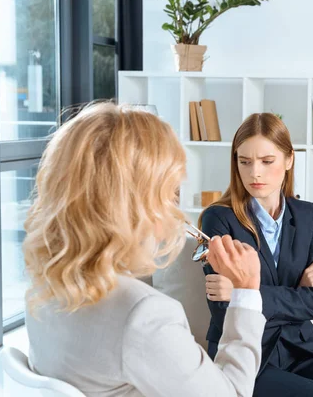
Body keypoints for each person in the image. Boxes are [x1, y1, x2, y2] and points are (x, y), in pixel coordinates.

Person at [23, 102, 266, 397]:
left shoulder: (44, 287)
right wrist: (247, 292)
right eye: (169, 193)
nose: (174, 211)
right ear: (137, 205)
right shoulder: (143, 316)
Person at [199, 113, 313, 397]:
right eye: (244, 161)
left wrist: (246, 292)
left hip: (301, 347)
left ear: (289, 160)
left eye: (267, 161)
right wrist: (298, 291)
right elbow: (223, 309)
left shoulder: (307, 215)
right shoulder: (218, 219)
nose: (254, 172)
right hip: (247, 354)